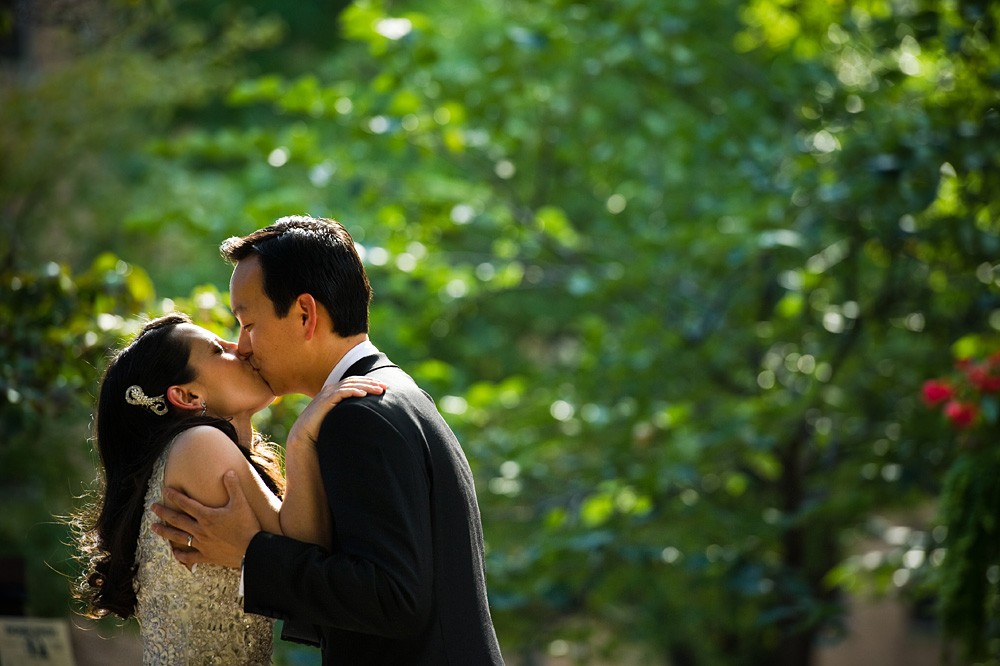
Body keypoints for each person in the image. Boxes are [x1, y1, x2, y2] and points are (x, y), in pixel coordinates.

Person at [150, 215, 505, 665]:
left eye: (248, 323)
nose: (242, 346)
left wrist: (251, 552)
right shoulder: (394, 395)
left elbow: (392, 597)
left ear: (304, 314)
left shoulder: (359, 415)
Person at [73, 312, 384, 665]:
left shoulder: (198, 451)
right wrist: (301, 440)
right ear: (188, 396)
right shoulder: (199, 445)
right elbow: (306, 547)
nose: (241, 348)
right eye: (218, 350)